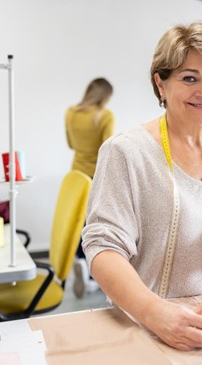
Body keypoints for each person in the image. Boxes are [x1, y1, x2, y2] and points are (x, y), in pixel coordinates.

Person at [81, 21, 202, 351]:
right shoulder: (126, 151)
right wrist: (154, 313)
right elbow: (103, 248)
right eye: (189, 78)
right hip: (144, 323)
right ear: (161, 83)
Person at [65, 77, 114, 298]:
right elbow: (109, 149)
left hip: (76, 174)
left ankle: (78, 260)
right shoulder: (104, 116)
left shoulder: (71, 113)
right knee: (96, 225)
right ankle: (93, 275)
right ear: (105, 96)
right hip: (96, 176)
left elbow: (71, 144)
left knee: (77, 221)